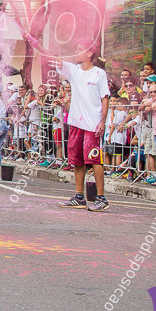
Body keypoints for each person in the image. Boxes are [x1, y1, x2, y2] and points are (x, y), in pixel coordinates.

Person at [50, 41, 111, 212]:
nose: (76, 52)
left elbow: (104, 97)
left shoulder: (99, 74)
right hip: (76, 122)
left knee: (95, 159)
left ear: (90, 53)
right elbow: (56, 60)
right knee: (77, 160)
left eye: (79, 49)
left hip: (92, 124)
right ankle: (79, 196)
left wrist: (102, 121)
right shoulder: (74, 70)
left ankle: (101, 198)